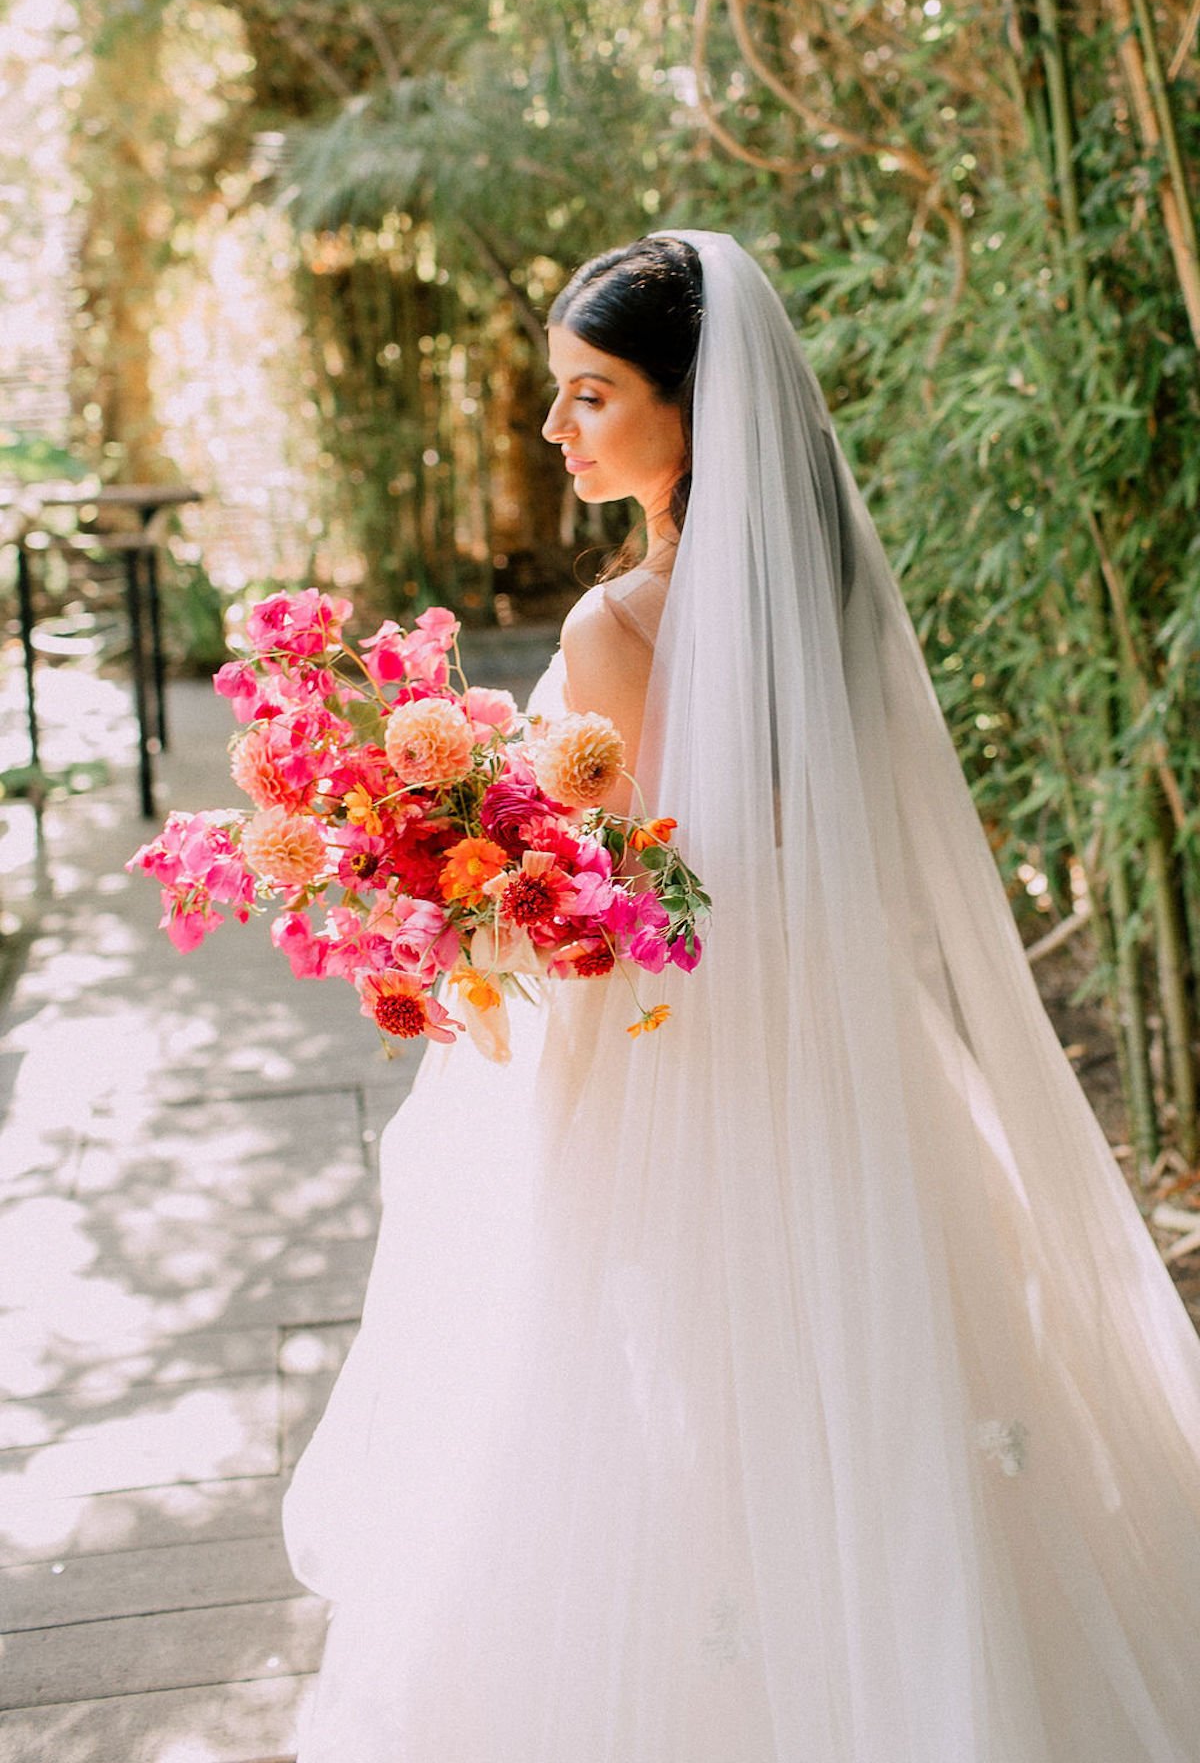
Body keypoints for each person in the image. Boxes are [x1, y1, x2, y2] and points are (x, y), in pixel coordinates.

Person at [281, 231, 1200, 1761]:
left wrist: (471, 885)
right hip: (845, 1040)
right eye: (556, 398)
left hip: (670, 1057)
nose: (556, 430)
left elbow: (628, 894)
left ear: (694, 408)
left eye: (590, 397)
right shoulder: (820, 585)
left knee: (656, 1400)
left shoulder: (615, 624)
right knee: (879, 1368)